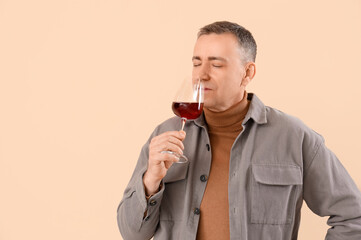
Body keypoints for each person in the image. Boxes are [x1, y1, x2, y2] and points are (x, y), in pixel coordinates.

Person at [117, 21, 361, 240]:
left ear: (247, 73)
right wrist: (151, 181)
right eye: (197, 63)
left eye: (216, 64)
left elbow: (353, 217)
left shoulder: (293, 137)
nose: (201, 74)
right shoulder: (165, 134)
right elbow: (131, 233)